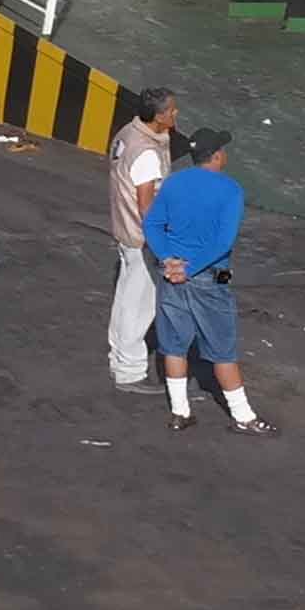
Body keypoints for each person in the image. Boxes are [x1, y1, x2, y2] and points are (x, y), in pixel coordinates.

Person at [147, 126, 267, 433]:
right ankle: (243, 416)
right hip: (210, 277)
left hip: (170, 274)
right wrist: (190, 268)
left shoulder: (173, 183)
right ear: (216, 156)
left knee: (174, 346)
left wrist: (168, 261)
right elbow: (222, 243)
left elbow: (152, 224)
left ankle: (180, 412)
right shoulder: (231, 190)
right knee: (222, 350)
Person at [102, 87, 177, 387]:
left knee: (124, 299)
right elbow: (147, 205)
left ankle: (117, 358)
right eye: (172, 110)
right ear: (159, 116)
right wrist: (161, 244)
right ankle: (129, 372)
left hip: (124, 230)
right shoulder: (146, 153)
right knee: (139, 306)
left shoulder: (127, 134)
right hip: (141, 238)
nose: (175, 114)